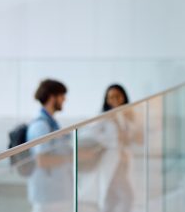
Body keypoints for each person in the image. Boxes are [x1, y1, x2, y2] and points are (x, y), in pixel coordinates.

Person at [79, 84, 143, 212]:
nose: (114, 100)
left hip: (125, 159)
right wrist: (110, 141)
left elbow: (136, 137)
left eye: (117, 96)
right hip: (111, 160)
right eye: (110, 97)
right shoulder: (103, 116)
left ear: (123, 97)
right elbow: (91, 132)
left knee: (112, 197)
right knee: (127, 197)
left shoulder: (128, 115)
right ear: (107, 100)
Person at [27, 78, 72, 212]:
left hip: (57, 194)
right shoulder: (41, 126)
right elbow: (42, 160)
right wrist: (72, 158)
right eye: (62, 96)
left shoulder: (52, 124)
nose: (65, 100)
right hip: (47, 197)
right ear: (53, 97)